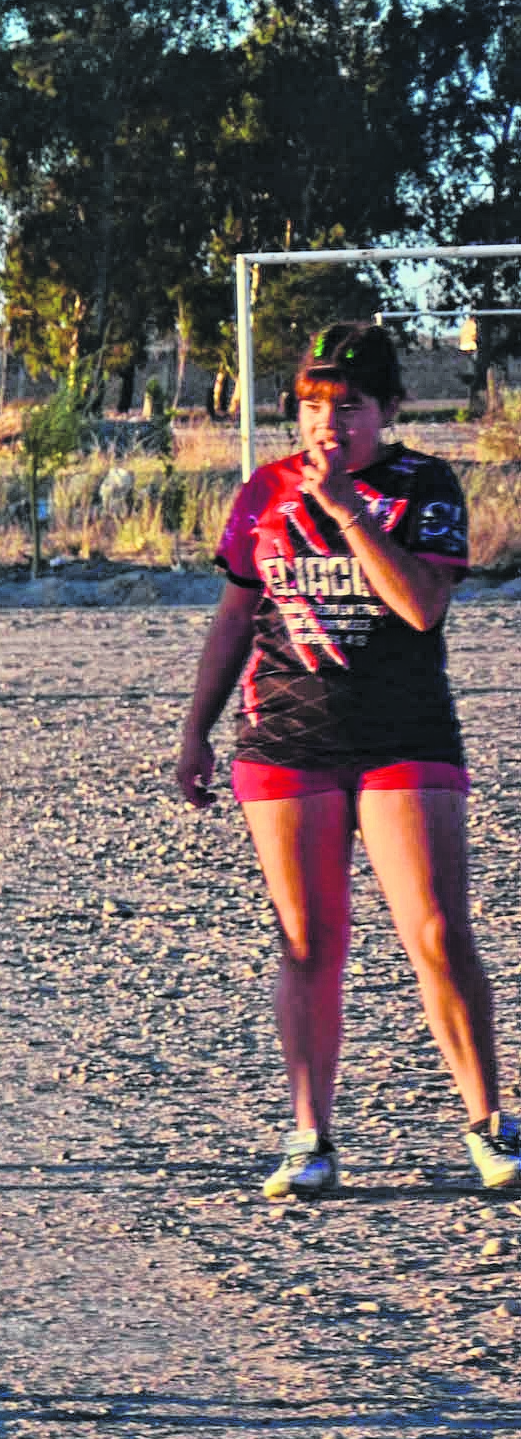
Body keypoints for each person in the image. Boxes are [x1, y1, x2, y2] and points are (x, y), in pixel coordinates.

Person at [175, 322, 520, 1200]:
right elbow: (232, 619)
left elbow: (419, 606)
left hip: (404, 736)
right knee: (307, 939)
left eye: (351, 406)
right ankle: (308, 1136)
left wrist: (348, 514)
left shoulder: (421, 485)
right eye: (313, 406)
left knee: (436, 931)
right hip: (285, 740)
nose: (329, 426)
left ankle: (487, 1122)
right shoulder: (262, 490)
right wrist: (194, 730)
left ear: (389, 408)